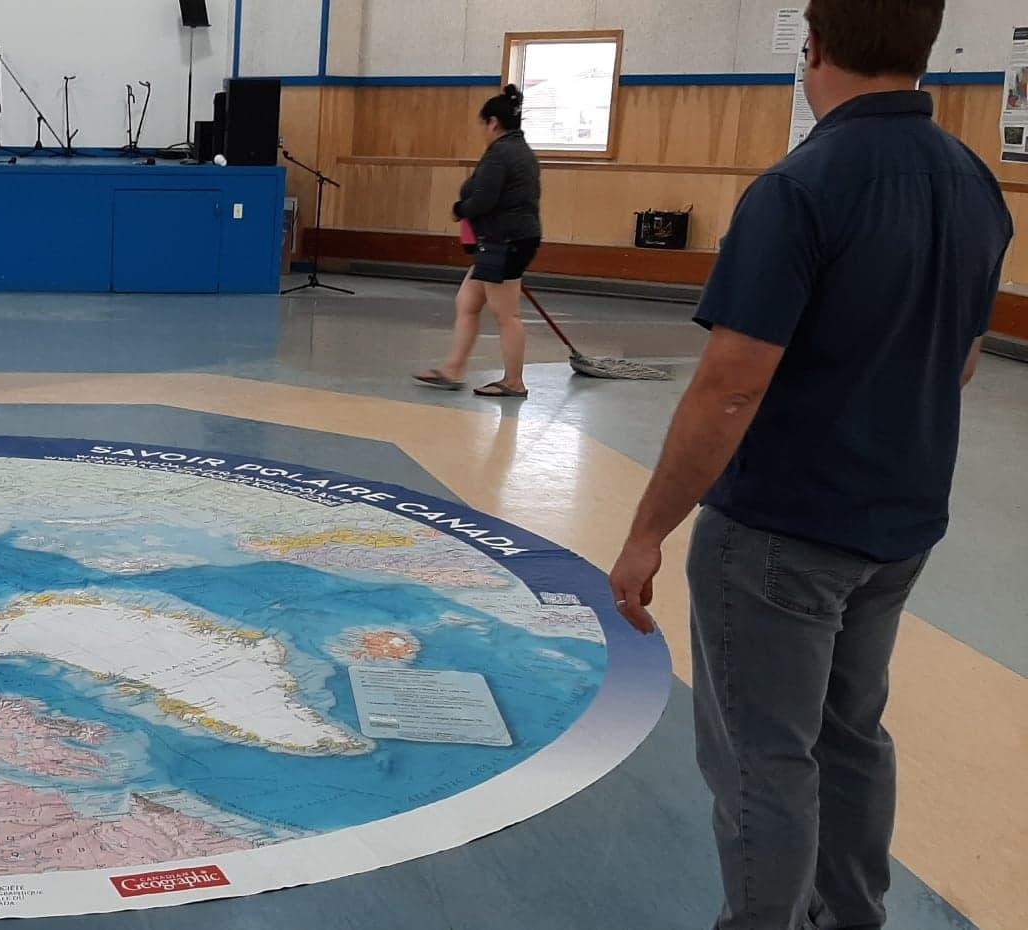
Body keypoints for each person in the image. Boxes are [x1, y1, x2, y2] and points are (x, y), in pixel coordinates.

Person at [606, 1, 1012, 928]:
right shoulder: (974, 184)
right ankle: (852, 915)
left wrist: (646, 531)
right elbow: (964, 356)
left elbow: (729, 390)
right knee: (852, 736)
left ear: (813, 44)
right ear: (924, 47)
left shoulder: (800, 188)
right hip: (899, 527)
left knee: (764, 759)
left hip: (782, 534)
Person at [414, 84, 541, 398]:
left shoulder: (500, 153)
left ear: (493, 123)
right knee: (467, 303)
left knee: (506, 314)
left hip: (505, 241)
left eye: (483, 125)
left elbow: (484, 198)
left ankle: (514, 381)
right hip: (505, 240)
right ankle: (453, 369)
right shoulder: (522, 150)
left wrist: (460, 210)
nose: (482, 131)